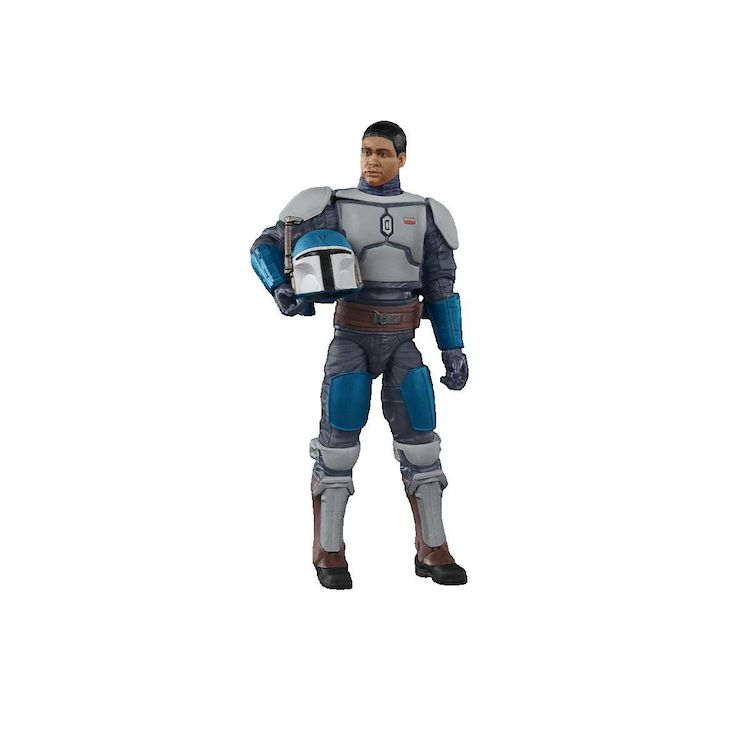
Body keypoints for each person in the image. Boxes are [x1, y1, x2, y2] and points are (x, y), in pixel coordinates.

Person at [250, 121, 469, 589]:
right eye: (366, 151)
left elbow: (441, 285)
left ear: (402, 158)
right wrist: (281, 287)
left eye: (383, 153)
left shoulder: (425, 213)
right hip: (352, 336)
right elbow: (265, 246)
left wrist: (453, 348)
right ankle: (329, 549)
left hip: (403, 339)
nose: (372, 160)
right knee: (338, 444)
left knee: (422, 443)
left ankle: (433, 545)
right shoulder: (332, 206)